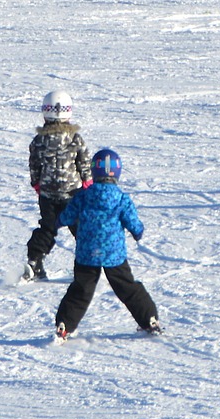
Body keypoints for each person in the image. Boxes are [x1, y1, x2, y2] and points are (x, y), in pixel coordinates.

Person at [54, 148, 161, 337]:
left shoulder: (83, 196)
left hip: (87, 253)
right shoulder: (121, 199)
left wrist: (58, 221)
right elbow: (133, 222)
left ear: (94, 171)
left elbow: (68, 216)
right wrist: (138, 232)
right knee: (127, 286)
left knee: (81, 289)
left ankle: (64, 325)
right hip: (114, 254)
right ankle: (149, 319)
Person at [24, 90, 88, 280]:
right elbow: (84, 163)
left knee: (48, 228)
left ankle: (35, 260)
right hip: (73, 194)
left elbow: (34, 165)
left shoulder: (38, 140)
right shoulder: (75, 138)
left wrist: (37, 184)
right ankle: (87, 267)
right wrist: (88, 183)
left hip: (48, 195)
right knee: (81, 229)